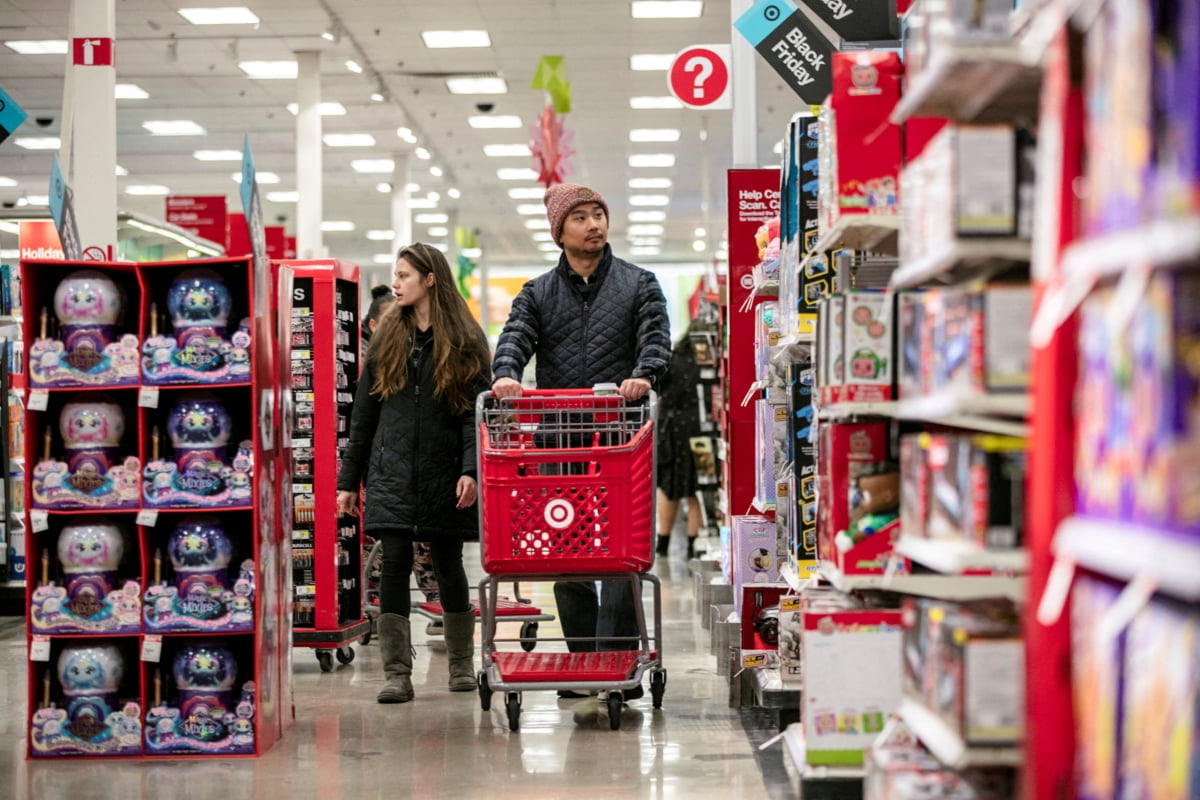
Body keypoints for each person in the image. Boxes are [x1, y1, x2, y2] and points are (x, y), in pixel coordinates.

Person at [491, 182, 671, 703]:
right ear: (560, 232)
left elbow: (656, 339)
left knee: (620, 550)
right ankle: (581, 660)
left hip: (620, 440)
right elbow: (515, 337)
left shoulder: (640, 284)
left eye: (599, 214)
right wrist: (506, 374)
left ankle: (612, 659)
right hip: (558, 438)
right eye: (582, 217)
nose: (594, 224)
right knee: (566, 546)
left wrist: (645, 373)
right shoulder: (537, 292)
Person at [337, 243, 492, 704]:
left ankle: (462, 665)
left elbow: (473, 417)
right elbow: (363, 415)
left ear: (429, 279)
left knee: (448, 565)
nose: (396, 282)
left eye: (404, 275)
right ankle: (397, 673)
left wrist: (472, 470)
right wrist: (349, 480)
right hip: (393, 472)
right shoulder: (386, 339)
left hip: (446, 471)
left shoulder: (464, 340)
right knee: (394, 564)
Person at [361, 284, 444, 635]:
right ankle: (379, 613)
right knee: (389, 552)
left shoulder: (426, 348)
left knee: (424, 548)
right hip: (385, 469)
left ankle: (431, 605)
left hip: (420, 470)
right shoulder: (372, 357)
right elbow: (363, 419)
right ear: (372, 324)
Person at [655, 325, 705, 559]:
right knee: (697, 489)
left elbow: (658, 389)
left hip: (671, 431)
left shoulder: (672, 359)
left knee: (668, 487)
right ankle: (694, 544)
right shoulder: (708, 363)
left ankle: (662, 543)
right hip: (701, 429)